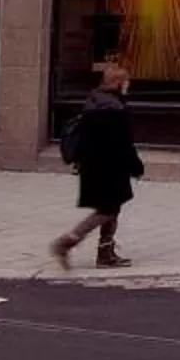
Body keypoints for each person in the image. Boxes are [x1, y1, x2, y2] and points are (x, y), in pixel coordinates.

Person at [49, 60, 145, 269]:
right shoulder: (114, 110)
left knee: (112, 207)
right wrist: (136, 167)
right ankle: (66, 242)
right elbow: (123, 144)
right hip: (109, 168)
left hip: (93, 166)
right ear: (118, 83)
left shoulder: (94, 103)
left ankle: (105, 253)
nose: (128, 85)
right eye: (126, 81)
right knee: (107, 210)